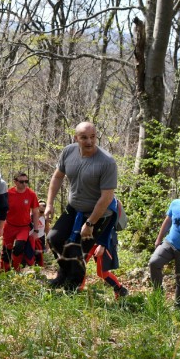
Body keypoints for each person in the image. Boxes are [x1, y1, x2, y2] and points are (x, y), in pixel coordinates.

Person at [44, 121, 120, 292]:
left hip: (98, 214)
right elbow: (57, 177)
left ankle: (71, 288)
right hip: (74, 208)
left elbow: (106, 197)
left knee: (76, 252)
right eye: (84, 138)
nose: (89, 142)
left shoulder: (106, 162)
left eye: (93, 137)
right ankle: (63, 273)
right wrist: (49, 203)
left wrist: (90, 223)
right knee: (54, 238)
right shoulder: (68, 152)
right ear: (76, 138)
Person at [0, 172, 40, 272]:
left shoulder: (31, 194)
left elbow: (36, 212)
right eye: (21, 181)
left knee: (19, 247)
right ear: (15, 182)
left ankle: (16, 269)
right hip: (9, 226)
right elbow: (1, 210)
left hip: (24, 227)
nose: (24, 184)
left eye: (26, 181)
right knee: (6, 250)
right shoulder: (8, 193)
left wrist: (36, 230)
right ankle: (4, 271)